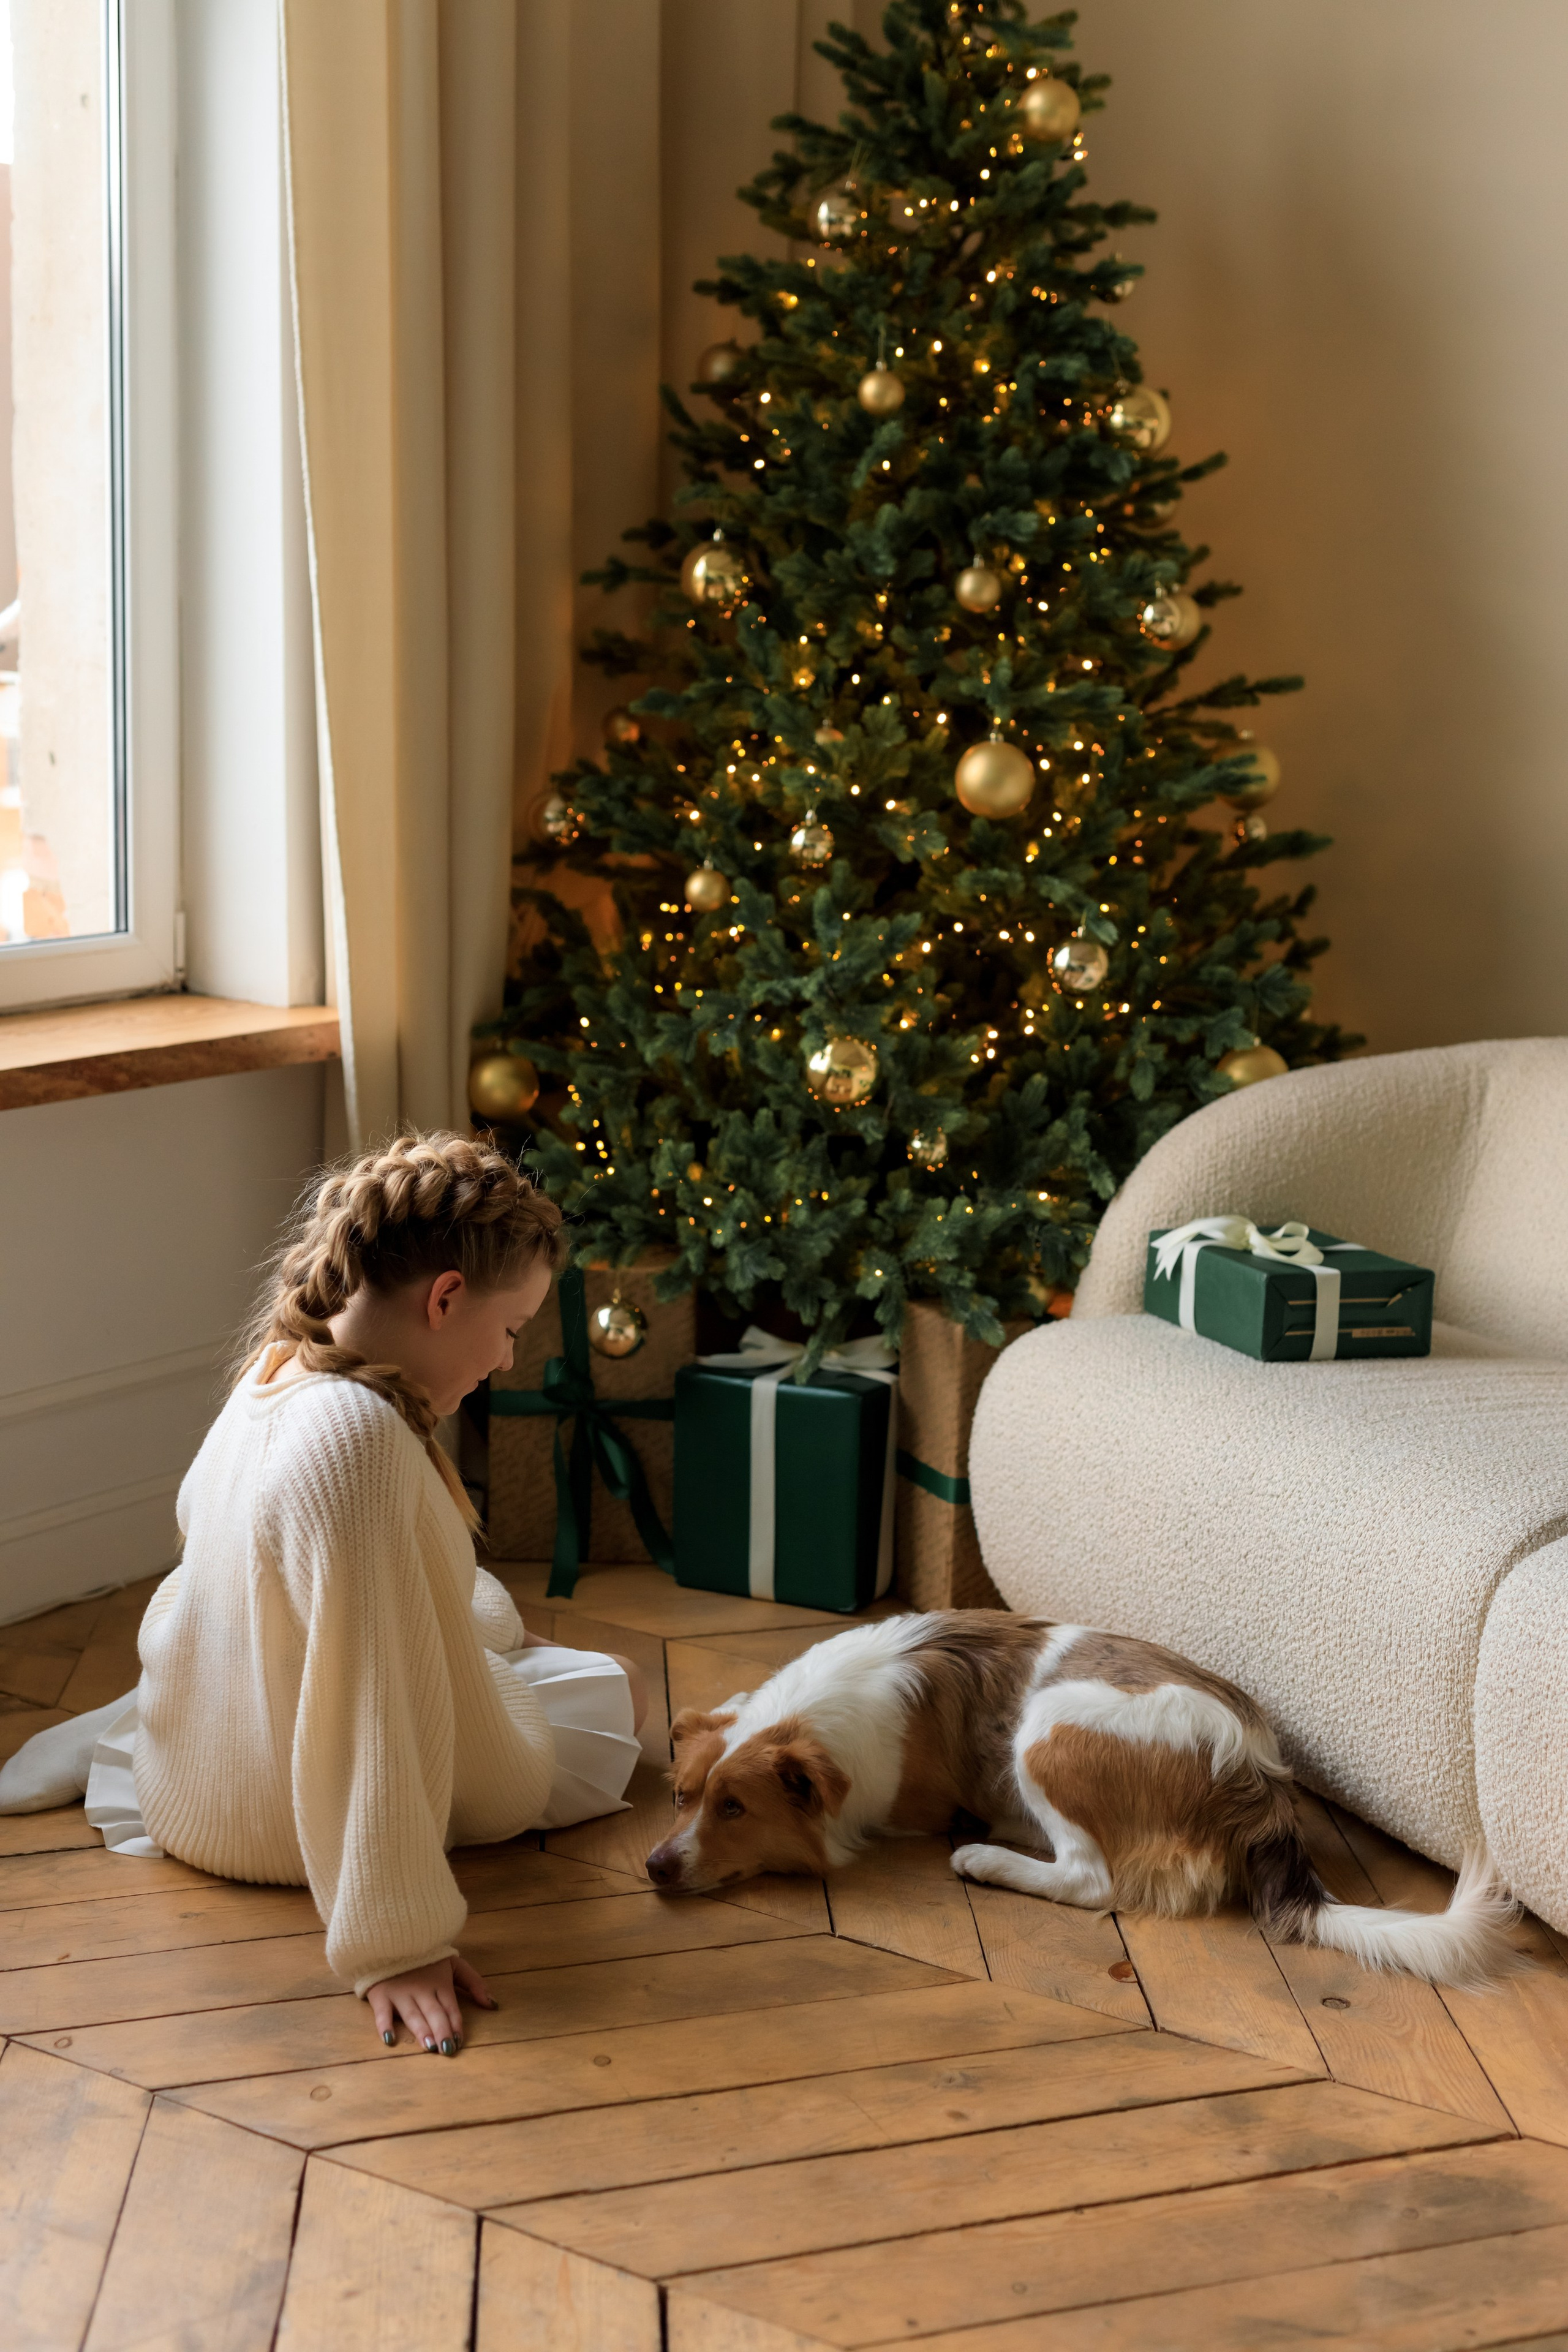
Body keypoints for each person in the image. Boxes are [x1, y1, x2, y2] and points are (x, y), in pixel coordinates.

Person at [0, 1132, 646, 2056]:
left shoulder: (278, 1366)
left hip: (195, 1787)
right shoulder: (358, 1438)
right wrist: (399, 1942)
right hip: (278, 1830)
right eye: (509, 1331)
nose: (506, 1361)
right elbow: (372, 1701)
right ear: (446, 1298)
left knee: (476, 1624)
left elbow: (212, 1585)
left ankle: (140, 1717)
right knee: (622, 1684)